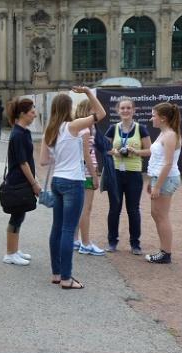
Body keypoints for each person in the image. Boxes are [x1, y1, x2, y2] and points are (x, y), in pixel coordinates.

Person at [40, 87, 106, 289]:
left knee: (57, 228)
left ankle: (57, 273)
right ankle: (67, 278)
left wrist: (60, 154)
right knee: (69, 229)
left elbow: (43, 160)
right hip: (73, 180)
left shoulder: (49, 130)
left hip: (57, 180)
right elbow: (101, 114)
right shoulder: (73, 126)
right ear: (69, 107)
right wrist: (87, 92)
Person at [104, 97, 152, 255]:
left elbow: (149, 151)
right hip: (116, 173)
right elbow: (104, 148)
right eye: (122, 108)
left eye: (128, 108)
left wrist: (136, 152)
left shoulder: (141, 128)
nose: (125, 111)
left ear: (133, 110)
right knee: (114, 209)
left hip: (134, 174)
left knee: (133, 210)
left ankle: (135, 244)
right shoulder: (113, 128)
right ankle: (112, 242)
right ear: (118, 111)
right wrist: (114, 152)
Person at [2, 97, 41, 266]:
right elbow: (22, 162)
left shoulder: (23, 132)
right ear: (23, 114)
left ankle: (14, 250)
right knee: (16, 216)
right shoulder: (18, 134)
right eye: (32, 112)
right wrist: (34, 183)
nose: (35, 114)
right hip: (18, 181)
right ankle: (10, 253)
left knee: (20, 215)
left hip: (22, 180)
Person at [145, 102, 182, 264]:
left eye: (154, 115)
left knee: (161, 215)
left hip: (167, 179)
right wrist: (152, 181)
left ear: (163, 118)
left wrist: (157, 186)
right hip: (159, 178)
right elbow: (157, 160)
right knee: (156, 214)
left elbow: (167, 164)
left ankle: (166, 253)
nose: (151, 118)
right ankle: (163, 250)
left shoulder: (170, 135)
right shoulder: (163, 133)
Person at [73, 99, 104, 256]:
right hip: (87, 171)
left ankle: (76, 239)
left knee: (80, 208)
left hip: (80, 171)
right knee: (86, 208)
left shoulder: (78, 126)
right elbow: (87, 154)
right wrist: (95, 175)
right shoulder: (86, 128)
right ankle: (85, 243)